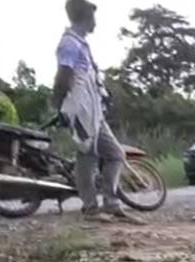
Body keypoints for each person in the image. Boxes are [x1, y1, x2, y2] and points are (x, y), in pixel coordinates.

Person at [52, 0, 142, 224]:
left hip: (94, 112)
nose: (96, 23)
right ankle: (91, 209)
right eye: (93, 17)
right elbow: (63, 77)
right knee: (87, 156)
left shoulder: (81, 43)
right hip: (80, 110)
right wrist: (60, 107)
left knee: (115, 154)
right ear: (85, 17)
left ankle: (111, 204)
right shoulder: (69, 44)